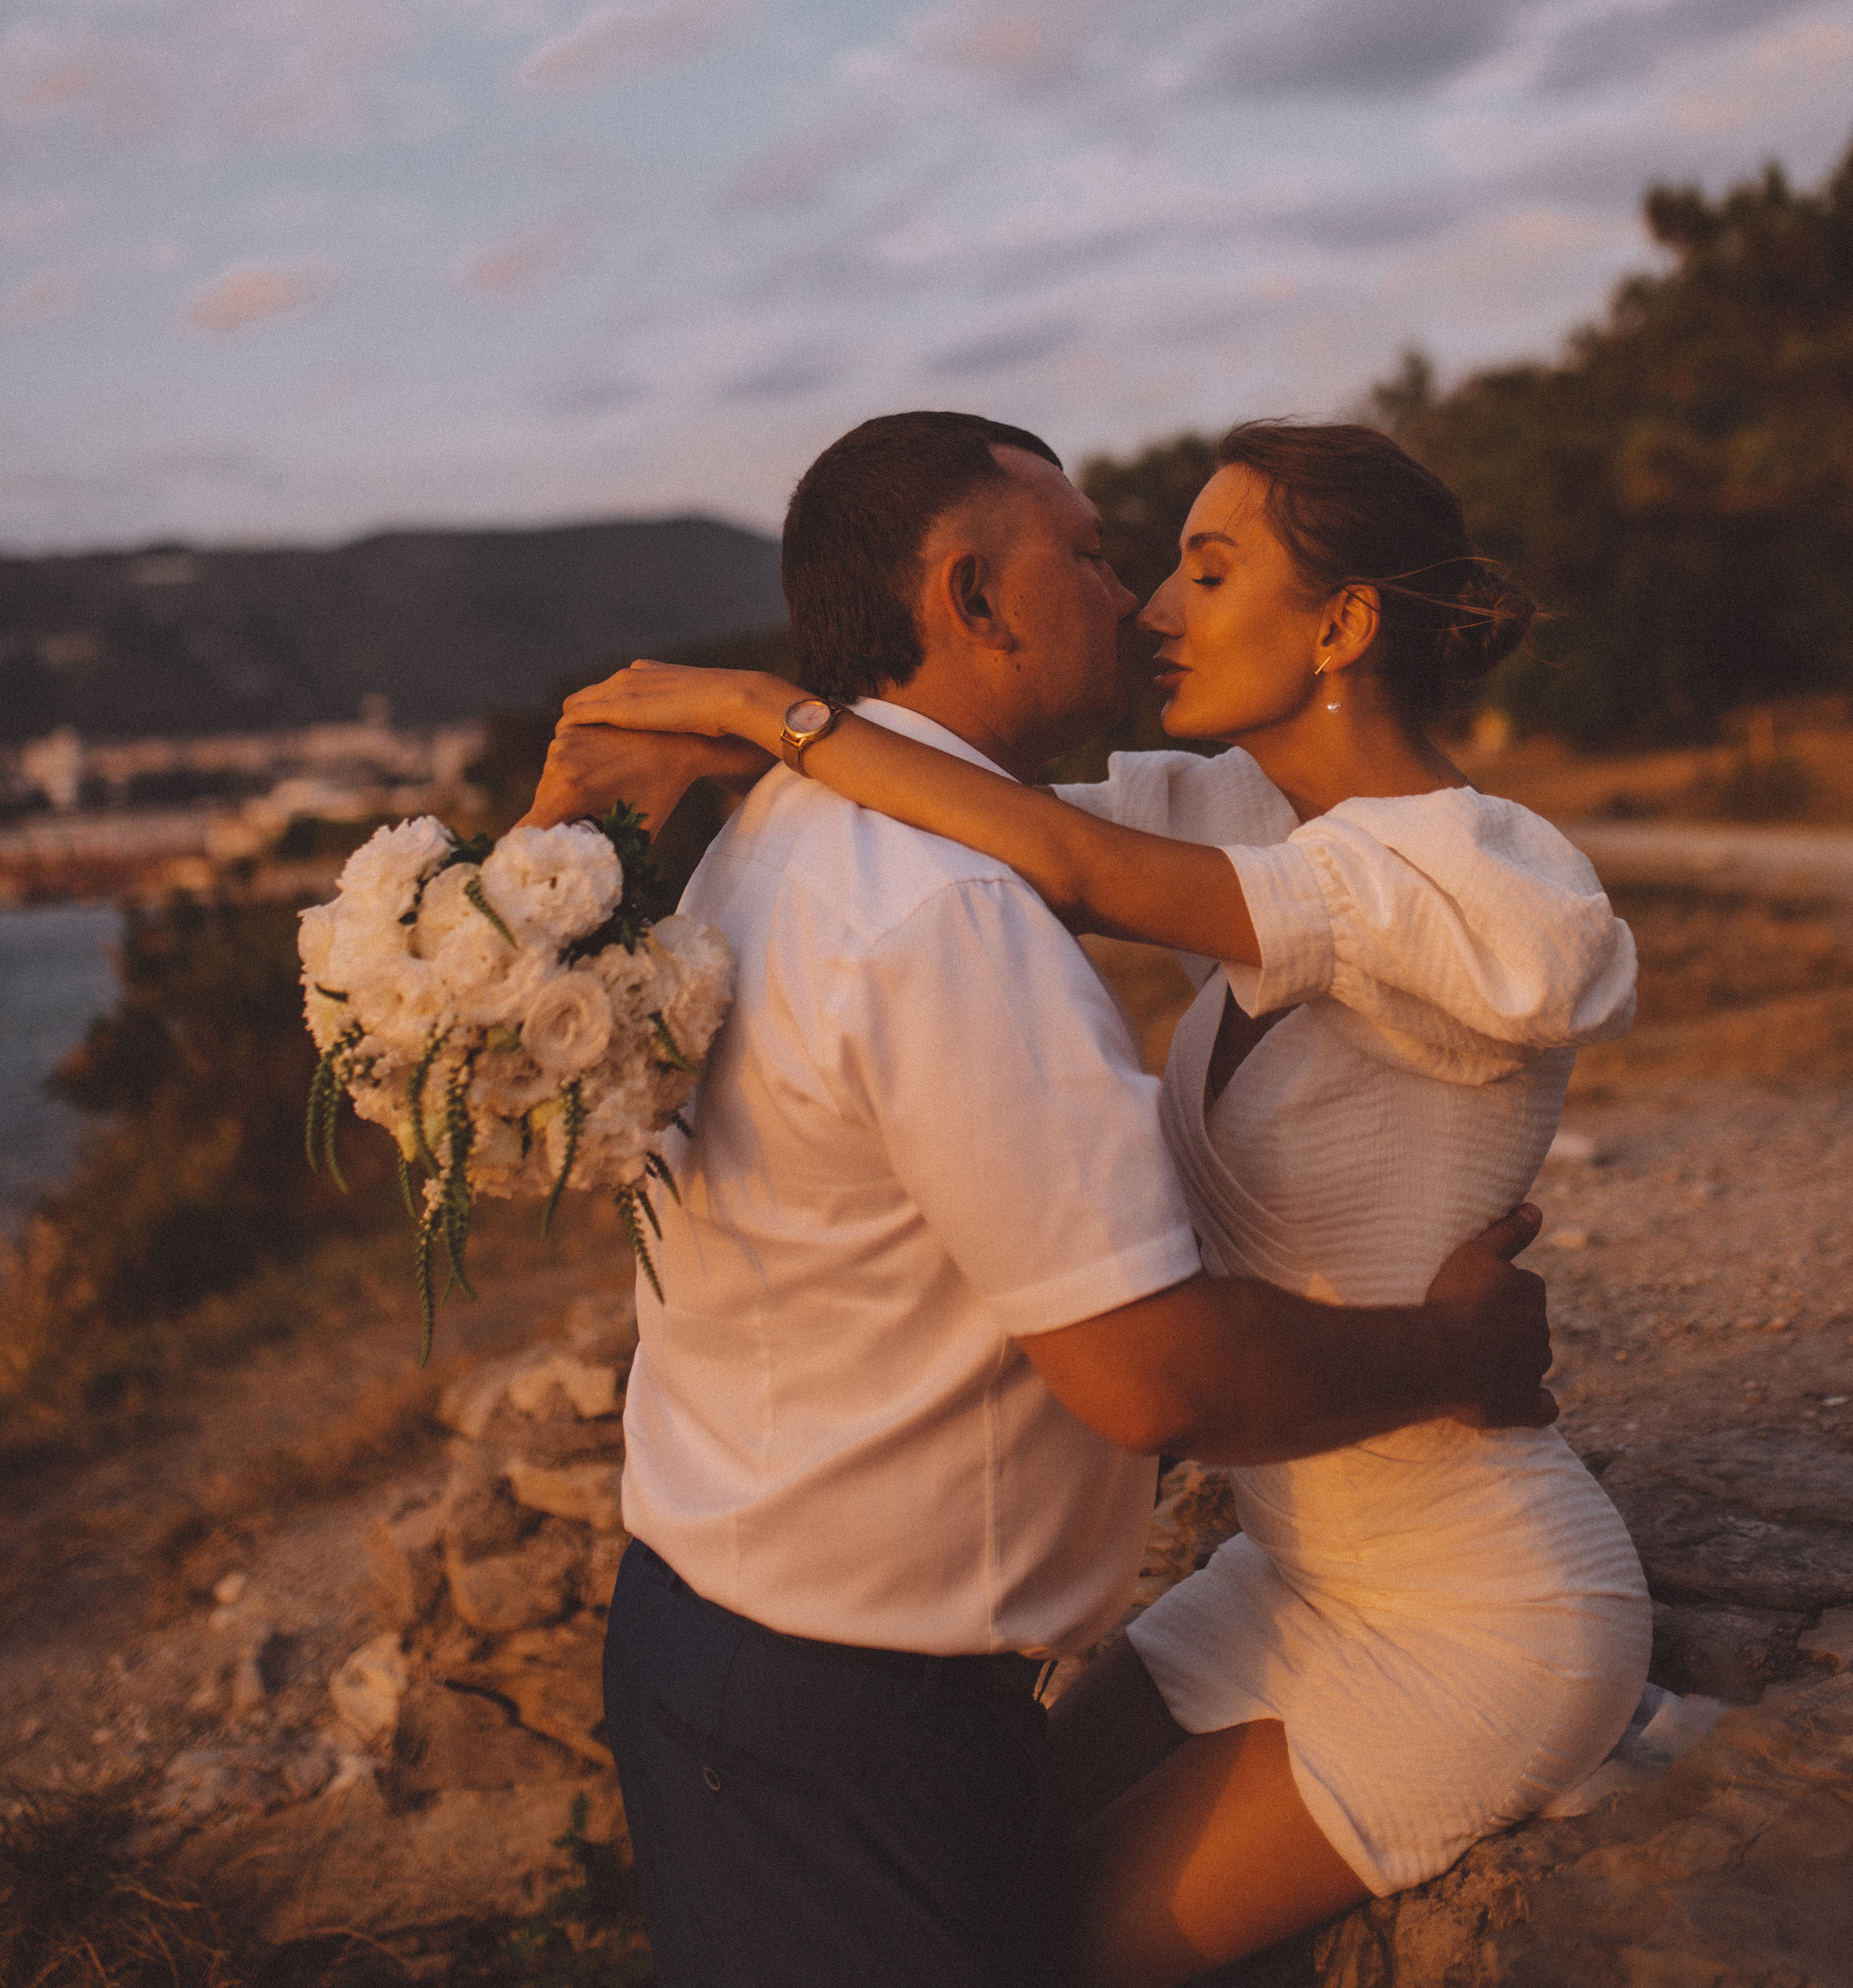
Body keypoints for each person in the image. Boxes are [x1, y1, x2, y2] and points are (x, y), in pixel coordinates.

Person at [525, 411, 1573, 1988]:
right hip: (855, 1677)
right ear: (970, 598)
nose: (1140, 600)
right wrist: (1455, 1354)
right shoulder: (963, 892)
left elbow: (1058, 849)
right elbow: (1151, 1376)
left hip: (766, 1635)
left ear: (1343, 622)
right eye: (1095, 558)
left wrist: (761, 715)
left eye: (1192, 567)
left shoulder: (814, 840)